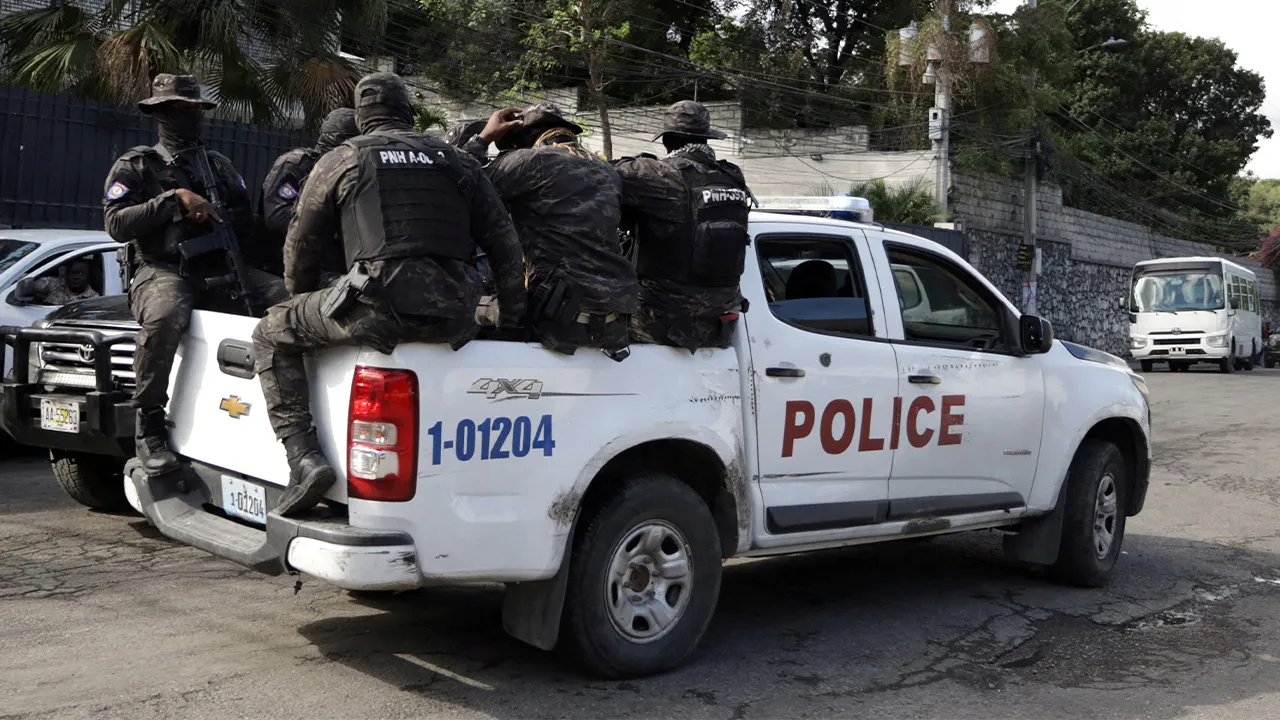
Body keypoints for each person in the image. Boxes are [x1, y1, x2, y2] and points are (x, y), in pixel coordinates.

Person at [252, 72, 527, 517]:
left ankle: (304, 461)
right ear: (408, 113)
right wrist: (509, 314)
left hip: (377, 310)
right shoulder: (457, 160)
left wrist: (302, 304)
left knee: (270, 332)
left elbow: (300, 248)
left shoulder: (342, 158)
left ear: (362, 118)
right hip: (457, 312)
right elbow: (504, 245)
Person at [103, 73, 288, 477]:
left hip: (223, 265)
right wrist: (174, 200)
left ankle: (289, 423)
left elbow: (249, 225)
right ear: (160, 113)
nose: (188, 117)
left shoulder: (219, 165)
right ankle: (149, 421)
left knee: (290, 300)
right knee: (166, 316)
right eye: (178, 110)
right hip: (162, 269)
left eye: (193, 110)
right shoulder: (137, 165)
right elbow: (116, 223)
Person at [464, 103, 638, 360]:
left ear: (523, 138)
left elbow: (457, 181)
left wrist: (483, 138)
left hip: (554, 316)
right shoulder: (606, 171)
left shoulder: (530, 162)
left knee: (465, 308)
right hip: (613, 318)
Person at [613, 100, 752, 352]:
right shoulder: (733, 177)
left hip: (663, 322)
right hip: (719, 323)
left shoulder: (661, 175)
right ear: (707, 138)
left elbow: (599, 172)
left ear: (666, 140)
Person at [255, 108, 360, 275]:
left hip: (329, 263)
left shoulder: (347, 171)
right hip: (285, 263)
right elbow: (277, 216)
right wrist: (332, 223)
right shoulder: (296, 165)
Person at [15, 259, 100, 305]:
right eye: (71, 273)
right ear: (66, 275)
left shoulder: (94, 298)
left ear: (89, 276)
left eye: (81, 274)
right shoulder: (55, 284)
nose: (75, 277)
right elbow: (26, 280)